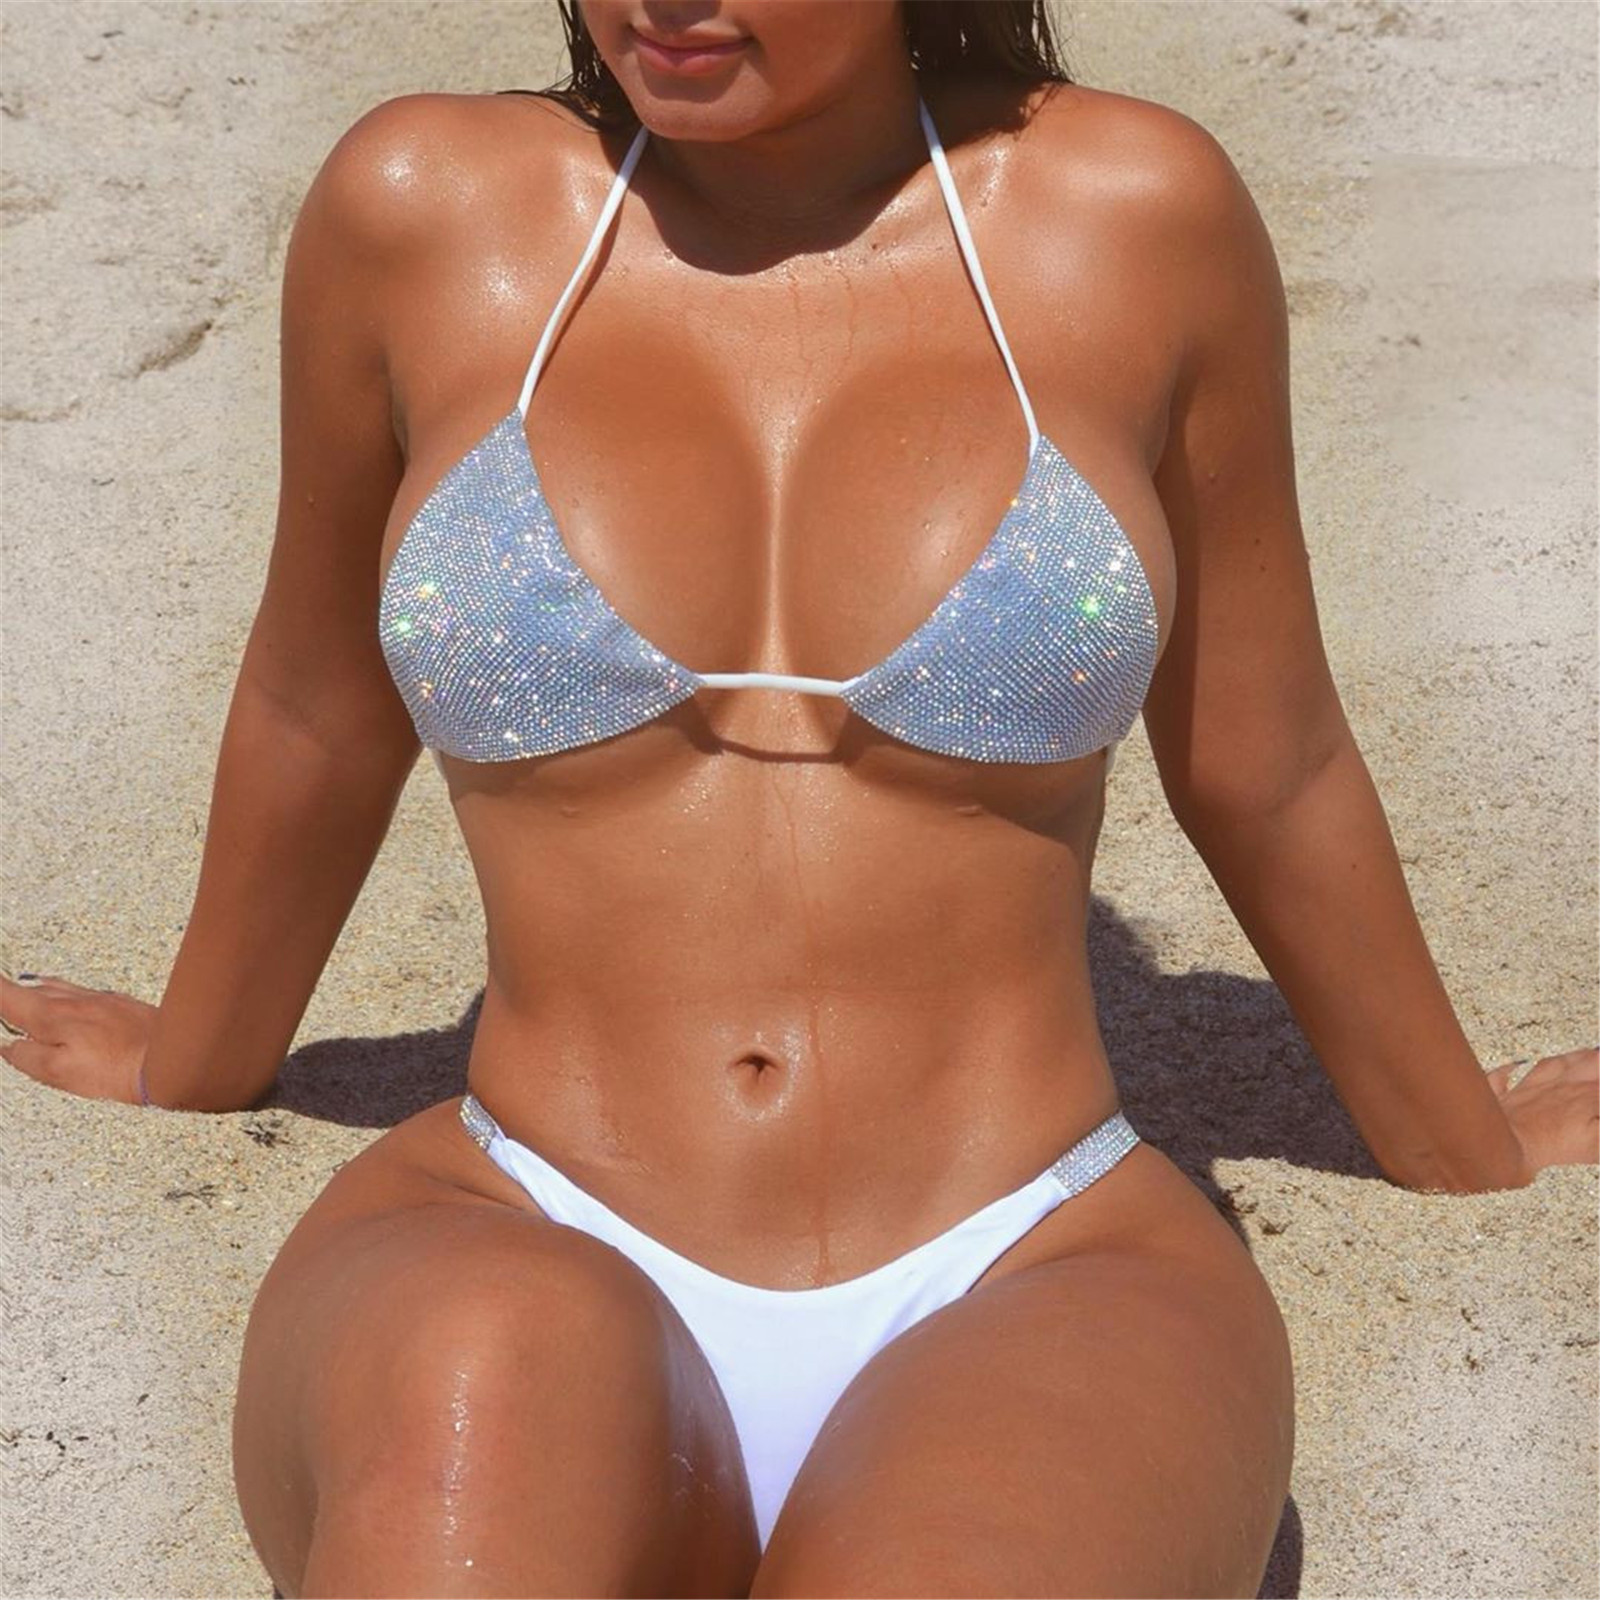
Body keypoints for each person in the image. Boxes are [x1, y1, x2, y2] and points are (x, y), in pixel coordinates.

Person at [3, 2, 1595, 1595]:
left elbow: (1267, 759)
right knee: (484, 1379)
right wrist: (190, 1063)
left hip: (1031, 1249)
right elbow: (317, 711)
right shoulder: (424, 209)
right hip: (524, 1209)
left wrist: (1460, 1142)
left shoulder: (1130, 217)